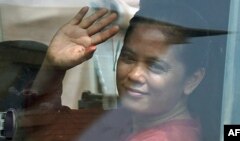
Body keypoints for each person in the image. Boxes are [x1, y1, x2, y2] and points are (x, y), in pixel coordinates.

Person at [23, 1, 227, 141]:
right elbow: (43, 129)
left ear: (192, 79)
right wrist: (53, 66)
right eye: (128, 58)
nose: (135, 75)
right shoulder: (127, 120)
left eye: (155, 66)